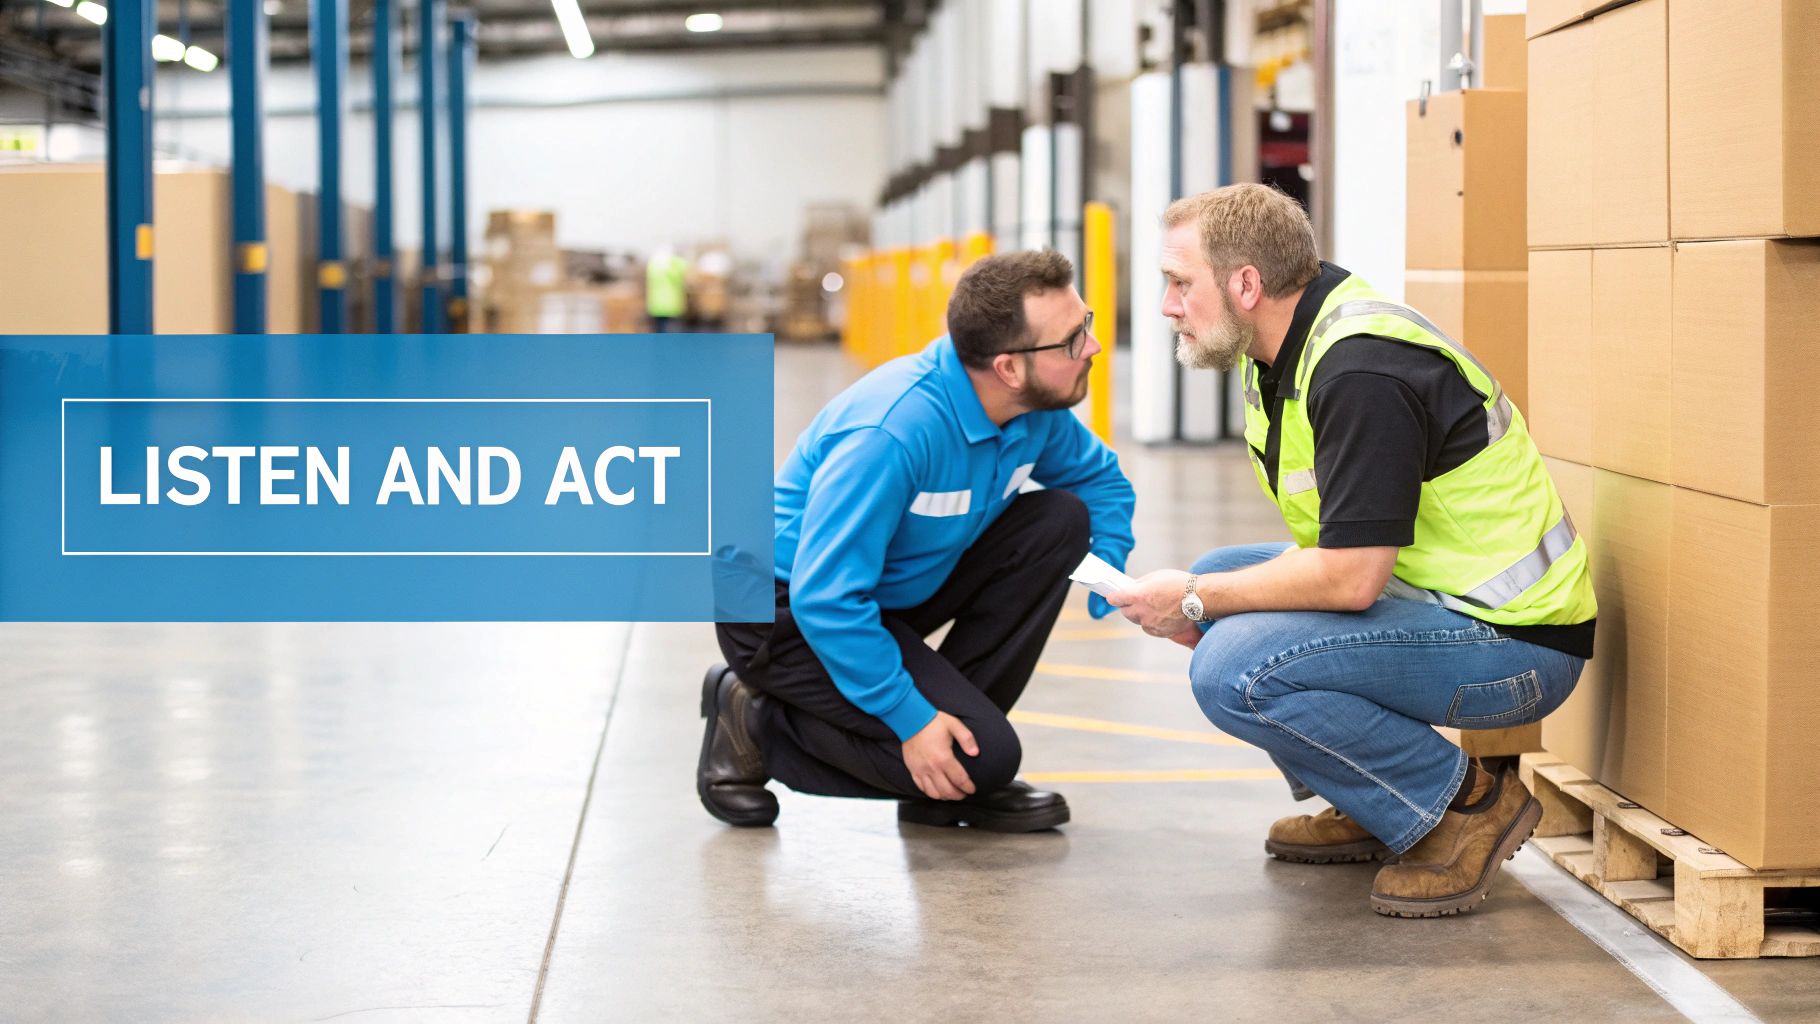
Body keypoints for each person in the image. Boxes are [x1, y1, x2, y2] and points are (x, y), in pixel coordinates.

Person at [1109, 183, 1596, 918]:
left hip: (1514, 647)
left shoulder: (1359, 369)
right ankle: (1371, 798)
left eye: (1180, 283)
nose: (1168, 305)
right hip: (1437, 603)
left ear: (1246, 284)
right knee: (1218, 579)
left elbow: (1350, 577)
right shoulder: (1276, 349)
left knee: (1228, 666)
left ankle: (1464, 811)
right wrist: (1205, 593)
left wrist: (1193, 602)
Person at [701, 250, 1135, 832]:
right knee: (988, 759)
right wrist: (910, 719)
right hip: (782, 612)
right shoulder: (892, 432)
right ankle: (754, 723)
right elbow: (825, 598)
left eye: (1086, 324)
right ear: (1008, 366)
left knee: (1058, 518)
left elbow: (1097, 479)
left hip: (882, 593)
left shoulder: (1031, 408)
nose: (1093, 347)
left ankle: (951, 771)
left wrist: (1106, 571)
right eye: (1072, 339)